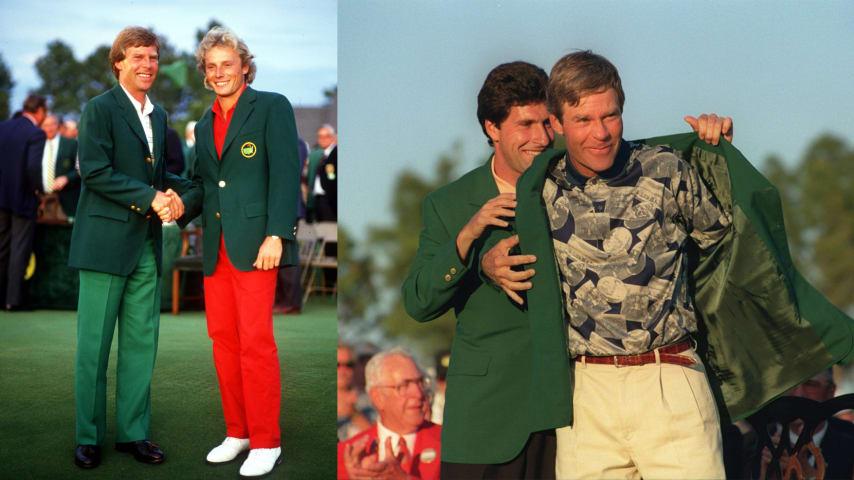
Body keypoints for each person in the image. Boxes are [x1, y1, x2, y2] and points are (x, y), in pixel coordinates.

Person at [492, 50, 854, 478]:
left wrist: (717, 152)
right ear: (556, 124)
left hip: (672, 379)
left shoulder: (667, 169)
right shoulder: (542, 192)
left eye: (610, 116)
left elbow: (725, 251)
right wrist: (486, 262)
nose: (601, 132)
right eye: (584, 120)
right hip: (586, 395)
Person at [403, 60, 737, 478]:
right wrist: (474, 252)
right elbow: (417, 300)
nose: (541, 138)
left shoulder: (569, 175)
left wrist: (710, 144)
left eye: (547, 124)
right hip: (496, 413)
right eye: (526, 125)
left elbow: (636, 157)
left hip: (582, 404)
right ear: (492, 128)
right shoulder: (452, 202)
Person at [68, 26, 191, 469]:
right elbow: (96, 173)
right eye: (138, 56)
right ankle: (88, 436)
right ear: (118, 61)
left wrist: (179, 196)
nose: (147, 65)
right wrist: (152, 198)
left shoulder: (159, 116)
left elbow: (162, 179)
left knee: (141, 344)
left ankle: (134, 434)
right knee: (94, 347)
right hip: (103, 245)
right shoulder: (98, 110)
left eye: (153, 57)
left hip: (145, 244)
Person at [179, 26, 299, 478]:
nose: (220, 73)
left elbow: (286, 174)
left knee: (256, 344)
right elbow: (202, 186)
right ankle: (239, 432)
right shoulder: (202, 124)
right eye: (212, 68)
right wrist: (177, 205)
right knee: (224, 343)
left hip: (256, 246)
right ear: (206, 76)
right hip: (217, 248)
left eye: (227, 64)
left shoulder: (272, 106)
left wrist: (277, 234)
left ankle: (267, 440)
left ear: (244, 66)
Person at [338, 348, 441, 480]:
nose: (418, 393)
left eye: (420, 383)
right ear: (378, 397)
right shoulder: (346, 457)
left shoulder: (450, 443)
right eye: (404, 385)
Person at [760, 370, 854, 479]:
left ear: (830, 392)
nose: (799, 394)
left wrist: (806, 471)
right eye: (790, 385)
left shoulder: (850, 441)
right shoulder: (749, 444)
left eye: (810, 385)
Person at [0, 94, 46, 311]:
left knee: (1, 247)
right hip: (23, 198)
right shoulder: (36, 133)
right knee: (20, 249)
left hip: (1, 197)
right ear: (40, 111)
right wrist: (39, 192)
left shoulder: (3, 127)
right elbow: (32, 168)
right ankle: (14, 300)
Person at [40, 114, 80, 218]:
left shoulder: (71, 144)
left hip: (66, 200)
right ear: (41, 127)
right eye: (46, 125)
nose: (49, 128)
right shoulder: (37, 145)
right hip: (41, 200)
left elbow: (82, 168)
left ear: (58, 126)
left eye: (53, 124)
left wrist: (67, 178)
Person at [303, 123, 337, 222]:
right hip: (317, 200)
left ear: (332, 137)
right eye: (320, 136)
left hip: (330, 201)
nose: (323, 139)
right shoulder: (315, 155)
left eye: (326, 136)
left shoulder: (335, 154)